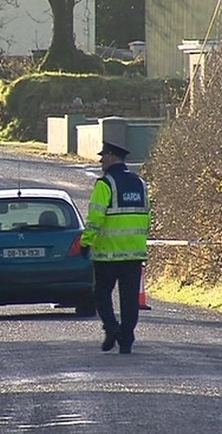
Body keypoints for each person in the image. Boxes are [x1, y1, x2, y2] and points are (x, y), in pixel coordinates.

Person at [80, 141, 151, 354]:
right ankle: (127, 340)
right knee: (129, 299)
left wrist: (86, 242)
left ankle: (111, 328)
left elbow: (95, 217)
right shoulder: (140, 183)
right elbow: (148, 217)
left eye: (103, 156)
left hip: (107, 254)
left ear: (112, 157)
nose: (101, 160)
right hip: (133, 254)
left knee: (101, 293)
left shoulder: (105, 184)